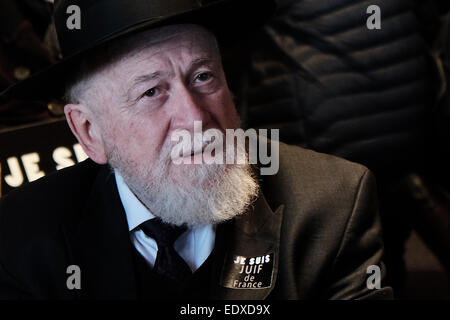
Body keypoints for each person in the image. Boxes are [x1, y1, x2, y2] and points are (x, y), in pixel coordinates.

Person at [0, 0, 392, 299]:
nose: (196, 118)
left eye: (203, 76)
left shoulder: (331, 204)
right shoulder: (24, 240)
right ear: (89, 132)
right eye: (151, 92)